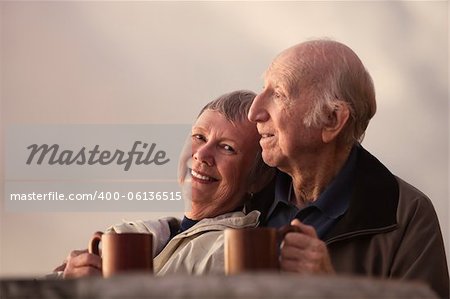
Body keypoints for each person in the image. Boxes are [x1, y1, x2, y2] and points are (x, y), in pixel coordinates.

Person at [246, 39, 449, 298]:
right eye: (263, 89)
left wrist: (332, 290)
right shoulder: (246, 189)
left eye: (278, 94)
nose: (255, 111)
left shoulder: (407, 215)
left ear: (332, 120)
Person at [55, 90, 274, 277]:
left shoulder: (229, 255)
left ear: (257, 179)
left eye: (227, 148)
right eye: (199, 137)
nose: (202, 154)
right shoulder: (154, 232)